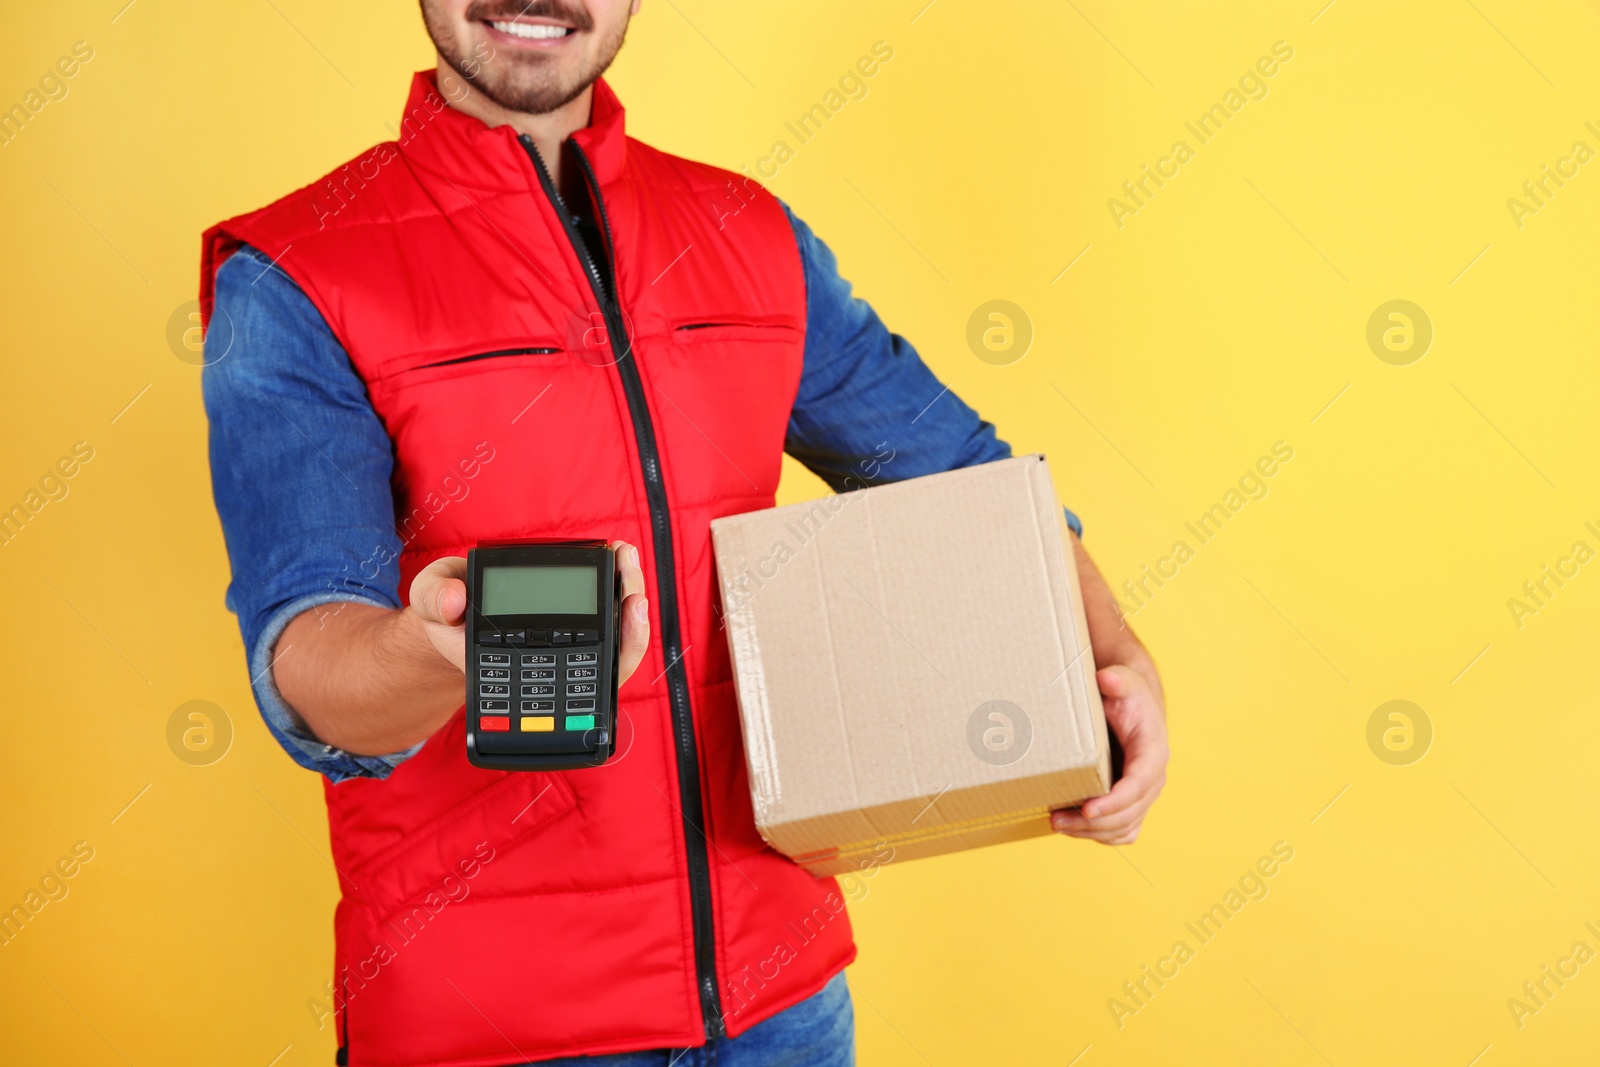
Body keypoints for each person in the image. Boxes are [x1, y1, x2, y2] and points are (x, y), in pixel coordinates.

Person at [199, 2, 1169, 1064]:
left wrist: (1115, 653)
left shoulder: (746, 231)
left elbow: (965, 478)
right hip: (492, 1028)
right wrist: (435, 653)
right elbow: (309, 667)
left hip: (781, 1008)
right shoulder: (297, 273)